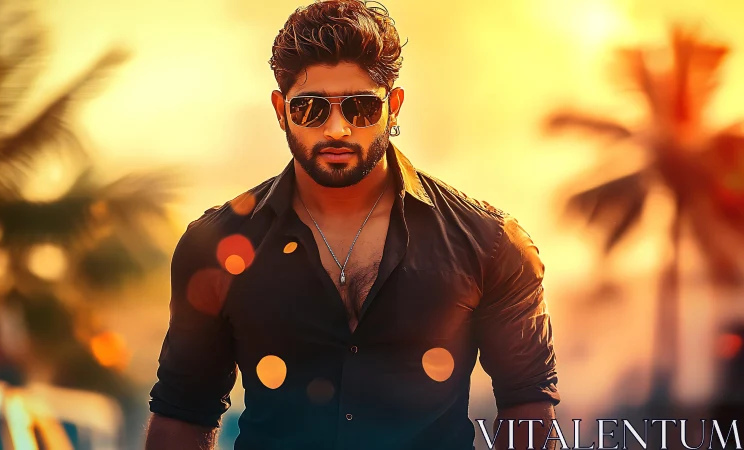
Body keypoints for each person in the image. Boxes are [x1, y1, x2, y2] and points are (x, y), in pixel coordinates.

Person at [144, 1, 559, 449]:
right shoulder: (215, 244)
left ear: (393, 106)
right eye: (310, 109)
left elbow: (528, 406)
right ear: (281, 110)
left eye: (360, 107)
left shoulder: (488, 243)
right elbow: (183, 413)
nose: (338, 129)